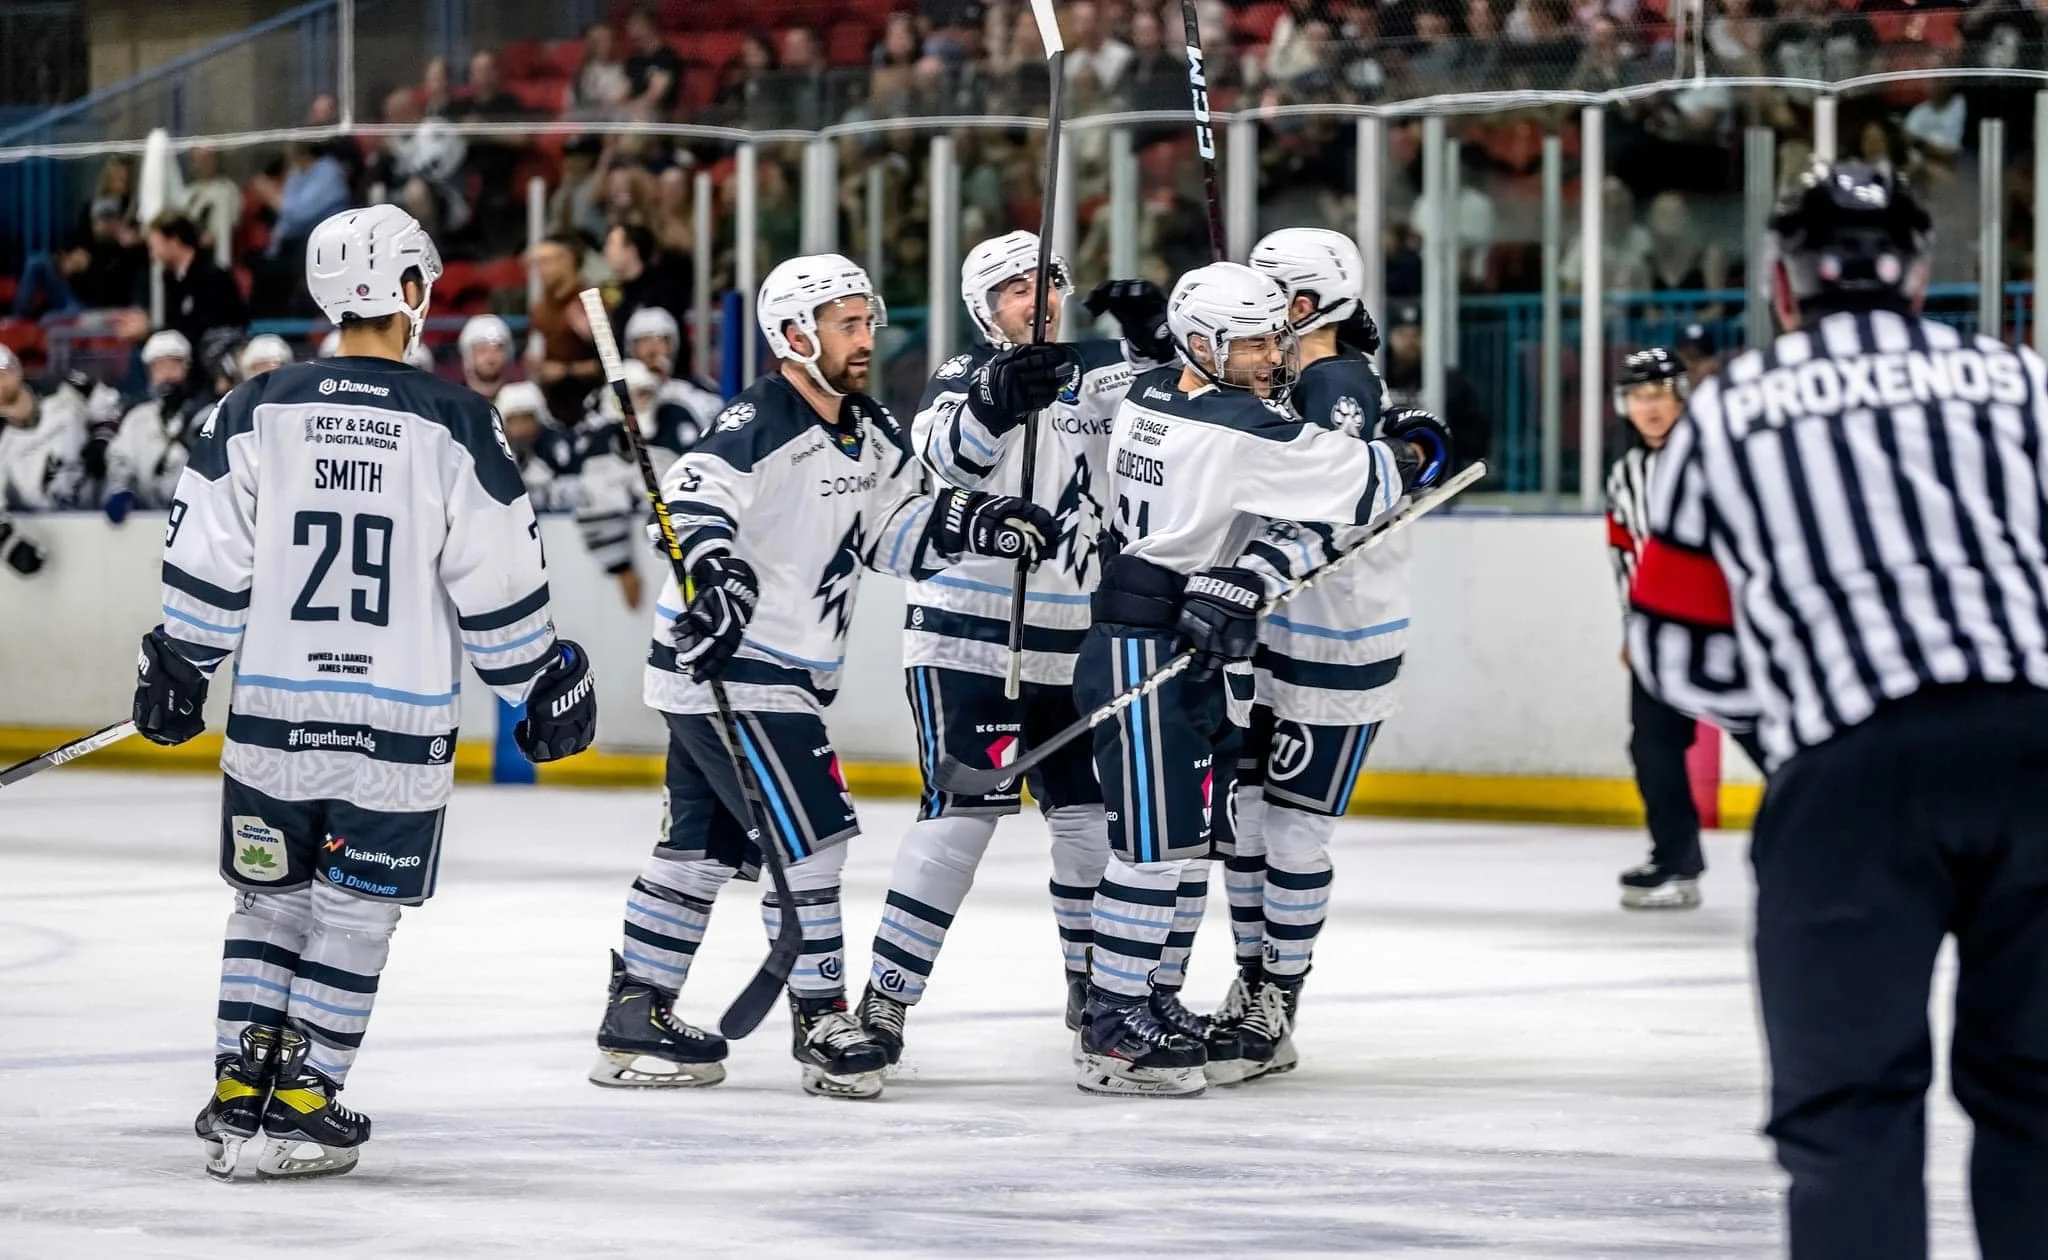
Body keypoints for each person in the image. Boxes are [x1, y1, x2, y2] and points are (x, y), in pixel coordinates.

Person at [1626, 159, 2048, 1259]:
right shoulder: (2019, 382)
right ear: (1916, 280)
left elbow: (1668, 643)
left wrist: (1804, 712)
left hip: (1847, 778)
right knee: (2041, 1103)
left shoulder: (1724, 415)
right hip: (2035, 755)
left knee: (1848, 1113)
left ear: (1781, 287)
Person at [139, 204, 597, 1182]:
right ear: (408, 293)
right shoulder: (454, 420)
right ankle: (303, 1105)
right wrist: (539, 680)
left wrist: (182, 661)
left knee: (267, 908)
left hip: (270, 711)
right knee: (352, 914)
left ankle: (238, 1097)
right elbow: (498, 580)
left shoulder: (251, 406)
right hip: (394, 723)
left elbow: (204, 559)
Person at [589, 253, 1056, 1100]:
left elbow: (895, 531)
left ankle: (635, 1015)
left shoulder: (866, 427)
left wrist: (981, 521)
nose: (866, 336)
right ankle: (821, 1017)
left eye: (868, 320)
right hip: (736, 666)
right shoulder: (756, 420)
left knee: (696, 851)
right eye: (848, 323)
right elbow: (691, 509)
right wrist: (717, 571)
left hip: (772, 673)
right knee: (814, 841)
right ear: (795, 333)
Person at [1075, 262, 1446, 1097]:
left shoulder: (1148, 395)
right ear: (1202, 345)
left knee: (1170, 839)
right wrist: (1416, 440)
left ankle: (1143, 1004)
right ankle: (1113, 1028)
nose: (1270, 356)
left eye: (1274, 337)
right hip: (1154, 645)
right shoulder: (1243, 427)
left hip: (1160, 635)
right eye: (1248, 343)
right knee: (1153, 846)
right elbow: (1371, 483)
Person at [851, 232, 1169, 1066]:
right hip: (968, 640)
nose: (1035, 299)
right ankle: (884, 1001)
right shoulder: (966, 374)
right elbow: (942, 458)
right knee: (961, 821)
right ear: (984, 311)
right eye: (1012, 290)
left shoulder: (1098, 377)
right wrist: (999, 400)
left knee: (1092, 824)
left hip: (1076, 643)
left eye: (1045, 283)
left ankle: (1096, 991)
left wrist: (1154, 341)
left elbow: (1171, 424)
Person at [1202, 228, 1430, 1084]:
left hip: (1335, 640)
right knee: (1249, 824)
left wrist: (1246, 580)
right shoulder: (1291, 377)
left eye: (1267, 295)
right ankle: (1255, 983)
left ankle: (1276, 995)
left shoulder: (1336, 382)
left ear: (1303, 305)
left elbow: (1320, 513)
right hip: (1270, 634)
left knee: (1292, 830)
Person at [1605, 346, 1764, 910]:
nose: (1651, 407)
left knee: (1771, 741)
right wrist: (1634, 625)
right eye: (1640, 396)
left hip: (1733, 631)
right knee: (1653, 746)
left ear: (1682, 398)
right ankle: (1676, 860)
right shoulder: (1624, 475)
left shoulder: (1719, 460)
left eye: (1661, 395)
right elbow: (1626, 553)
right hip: (1660, 634)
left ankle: (1841, 843)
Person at [103, 329, 213, 520]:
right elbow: (120, 461)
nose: (167, 374)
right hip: (148, 521)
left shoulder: (207, 413)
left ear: (187, 368)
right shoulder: (137, 418)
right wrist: (121, 490)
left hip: (195, 519)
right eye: (159, 367)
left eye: (174, 365)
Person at [0, 343, 91, 513]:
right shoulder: (4, 441)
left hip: (99, 509)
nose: (2, 379)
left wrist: (102, 440)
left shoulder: (65, 391)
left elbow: (108, 404)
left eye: (4, 371)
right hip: (43, 524)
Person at [622, 305, 721, 428]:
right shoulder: (613, 392)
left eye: (660, 339)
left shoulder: (699, 390)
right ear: (632, 348)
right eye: (644, 340)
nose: (652, 349)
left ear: (672, 346)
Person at [458, 314, 515, 402]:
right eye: (482, 350)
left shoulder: (518, 400)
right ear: (468, 356)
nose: (490, 358)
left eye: (498, 349)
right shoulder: (456, 401)